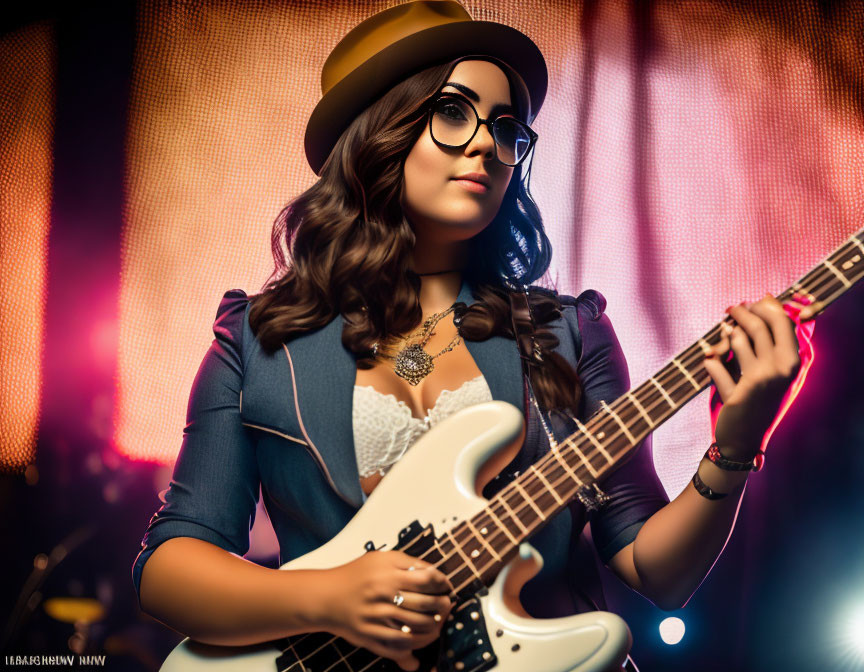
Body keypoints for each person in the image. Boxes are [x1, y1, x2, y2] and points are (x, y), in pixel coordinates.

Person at [132, 3, 806, 671]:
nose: (489, 143)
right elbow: (169, 567)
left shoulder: (569, 334)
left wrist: (735, 447)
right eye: (454, 112)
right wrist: (324, 598)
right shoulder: (256, 343)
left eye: (507, 128)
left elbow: (655, 571)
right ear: (378, 132)